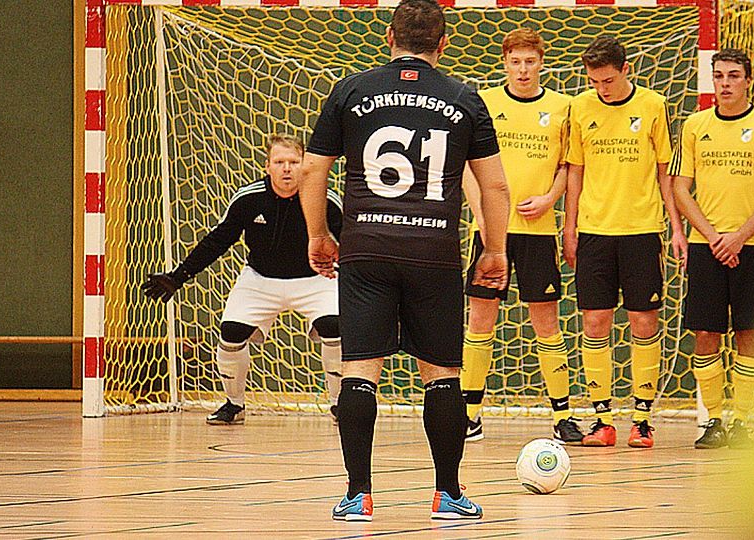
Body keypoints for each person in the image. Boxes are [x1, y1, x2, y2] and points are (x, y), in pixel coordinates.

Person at [298, 0, 510, 522]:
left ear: (388, 37)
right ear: (444, 43)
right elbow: (497, 185)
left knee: (358, 371)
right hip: (433, 254)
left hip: (366, 249)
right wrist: (495, 249)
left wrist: (321, 235)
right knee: (442, 374)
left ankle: (358, 495)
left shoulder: (350, 90)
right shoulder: (465, 99)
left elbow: (311, 171)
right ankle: (448, 495)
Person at [142, 134, 344, 426]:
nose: (286, 168)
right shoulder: (249, 199)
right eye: (279, 162)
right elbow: (218, 241)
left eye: (293, 162)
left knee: (334, 327)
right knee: (231, 332)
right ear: (267, 166)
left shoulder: (325, 199)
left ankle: (340, 405)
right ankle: (234, 405)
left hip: (316, 278)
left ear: (304, 166)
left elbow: (350, 244)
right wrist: (178, 276)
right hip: (260, 278)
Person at [459, 28, 583, 445]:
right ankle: (470, 414)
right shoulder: (485, 103)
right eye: (516, 61)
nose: (523, 69)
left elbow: (569, 165)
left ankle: (562, 416)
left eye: (530, 61)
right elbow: (465, 167)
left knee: (546, 321)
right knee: (480, 319)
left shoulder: (562, 107)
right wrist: (483, 216)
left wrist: (550, 198)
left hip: (539, 231)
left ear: (541, 62)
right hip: (491, 234)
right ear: (505, 62)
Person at [563, 35, 687, 449]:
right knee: (595, 322)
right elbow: (575, 171)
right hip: (596, 231)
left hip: (641, 229)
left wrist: (675, 226)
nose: (603, 88)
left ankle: (642, 419)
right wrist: (570, 226)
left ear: (626, 70)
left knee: (643, 322)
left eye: (610, 80)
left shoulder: (652, 105)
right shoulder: (580, 108)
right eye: (596, 81)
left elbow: (665, 171)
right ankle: (602, 419)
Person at [670, 48, 754, 450]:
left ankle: (742, 421)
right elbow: (680, 188)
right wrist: (711, 235)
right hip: (706, 247)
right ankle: (714, 421)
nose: (725, 83)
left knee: (748, 331)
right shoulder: (694, 126)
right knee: (705, 333)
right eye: (719, 76)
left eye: (733, 76)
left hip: (753, 245)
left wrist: (739, 235)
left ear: (747, 81)